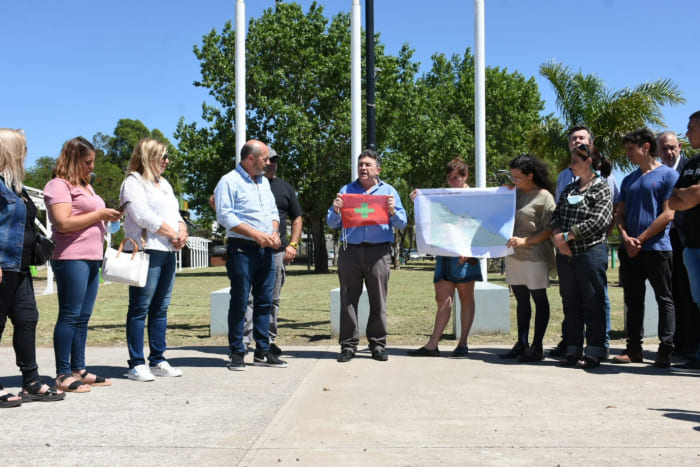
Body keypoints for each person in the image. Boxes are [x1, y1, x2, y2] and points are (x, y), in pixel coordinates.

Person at [44, 137, 122, 393]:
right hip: (70, 257)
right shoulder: (58, 186)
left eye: (92, 162)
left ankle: (79, 368)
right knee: (70, 314)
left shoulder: (86, 186)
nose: (91, 167)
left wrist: (108, 216)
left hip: (91, 258)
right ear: (74, 160)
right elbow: (63, 223)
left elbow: (88, 217)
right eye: (87, 162)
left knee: (83, 317)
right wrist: (99, 214)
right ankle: (63, 373)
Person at [0, 128, 65, 406]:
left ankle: (31, 381)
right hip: (3, 265)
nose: (26, 153)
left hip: (21, 267)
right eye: (23, 147)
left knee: (27, 320)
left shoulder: (16, 186)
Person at [327, 149, 407, 362]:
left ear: (377, 169)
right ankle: (348, 345)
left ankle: (378, 344)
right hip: (350, 250)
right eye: (360, 164)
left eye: (367, 165)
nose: (363, 168)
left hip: (378, 251)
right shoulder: (346, 190)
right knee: (348, 299)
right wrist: (335, 210)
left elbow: (402, 222)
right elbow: (331, 223)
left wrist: (392, 212)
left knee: (378, 300)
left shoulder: (389, 191)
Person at [119, 139, 188, 382]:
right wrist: (171, 233)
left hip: (168, 251)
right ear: (149, 157)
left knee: (161, 308)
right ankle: (136, 363)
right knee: (140, 307)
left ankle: (158, 358)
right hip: (148, 250)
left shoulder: (165, 184)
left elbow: (176, 213)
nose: (167, 161)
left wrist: (182, 231)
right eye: (163, 157)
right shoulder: (133, 182)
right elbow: (141, 215)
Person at [214, 140, 286, 371]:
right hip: (242, 249)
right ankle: (237, 351)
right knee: (241, 300)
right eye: (265, 158)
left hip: (266, 249)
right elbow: (225, 216)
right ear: (250, 159)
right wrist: (256, 234)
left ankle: (263, 350)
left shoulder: (264, 182)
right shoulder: (228, 181)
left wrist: (273, 233)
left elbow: (273, 212)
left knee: (266, 302)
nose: (268, 163)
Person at [611, 129, 678, 368]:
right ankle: (633, 349)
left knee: (664, 299)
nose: (628, 154)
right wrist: (626, 237)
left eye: (631, 149)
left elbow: (668, 213)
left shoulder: (668, 175)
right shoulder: (629, 179)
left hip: (657, 249)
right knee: (633, 300)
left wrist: (641, 238)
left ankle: (665, 350)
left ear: (646, 147)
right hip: (630, 251)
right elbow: (620, 214)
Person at [550, 126, 616, 358]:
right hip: (566, 254)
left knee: (593, 301)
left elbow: (600, 220)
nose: (571, 166)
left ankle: (596, 350)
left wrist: (569, 236)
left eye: (575, 162)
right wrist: (559, 236)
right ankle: (573, 348)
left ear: (588, 162)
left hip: (590, 252)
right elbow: (556, 214)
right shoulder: (569, 187)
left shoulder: (602, 187)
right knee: (571, 302)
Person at [406, 158, 482, 358]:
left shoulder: (475, 197)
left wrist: (470, 250)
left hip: (465, 254)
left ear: (465, 176)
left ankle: (463, 343)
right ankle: (433, 344)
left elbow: (482, 224)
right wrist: (418, 201)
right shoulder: (444, 195)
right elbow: (433, 216)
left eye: (456, 178)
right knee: (443, 299)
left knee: (465, 298)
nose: (452, 181)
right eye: (449, 178)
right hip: (444, 252)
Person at [241, 148, 303, 355]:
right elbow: (217, 203)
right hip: (250, 249)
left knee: (272, 298)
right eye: (268, 160)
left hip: (276, 252)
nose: (271, 163)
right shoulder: (246, 183)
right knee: (248, 297)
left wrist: (292, 245)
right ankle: (245, 340)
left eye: (275, 160)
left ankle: (267, 340)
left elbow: (297, 218)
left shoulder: (284, 187)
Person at [500, 154, 556, 363]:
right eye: (512, 176)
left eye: (517, 177)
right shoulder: (510, 193)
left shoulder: (544, 197)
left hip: (535, 256)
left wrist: (526, 241)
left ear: (530, 176)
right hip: (513, 256)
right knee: (521, 301)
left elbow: (549, 228)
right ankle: (521, 343)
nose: (513, 180)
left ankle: (537, 346)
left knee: (539, 299)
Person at [659, 131, 700, 357]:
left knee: (690, 294)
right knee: (675, 292)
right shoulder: (658, 173)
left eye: (672, 147)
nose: (669, 152)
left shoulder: (687, 167)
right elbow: (673, 201)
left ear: (680, 148)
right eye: (664, 148)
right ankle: (680, 342)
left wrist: (682, 194)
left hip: (688, 237)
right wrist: (687, 195)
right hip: (665, 241)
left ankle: (693, 344)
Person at [669, 111, 700, 370]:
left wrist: (688, 194)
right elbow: (673, 199)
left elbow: (691, 195)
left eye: (691, 127)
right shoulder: (691, 164)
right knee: (696, 300)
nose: (687, 132)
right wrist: (688, 193)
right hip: (691, 243)